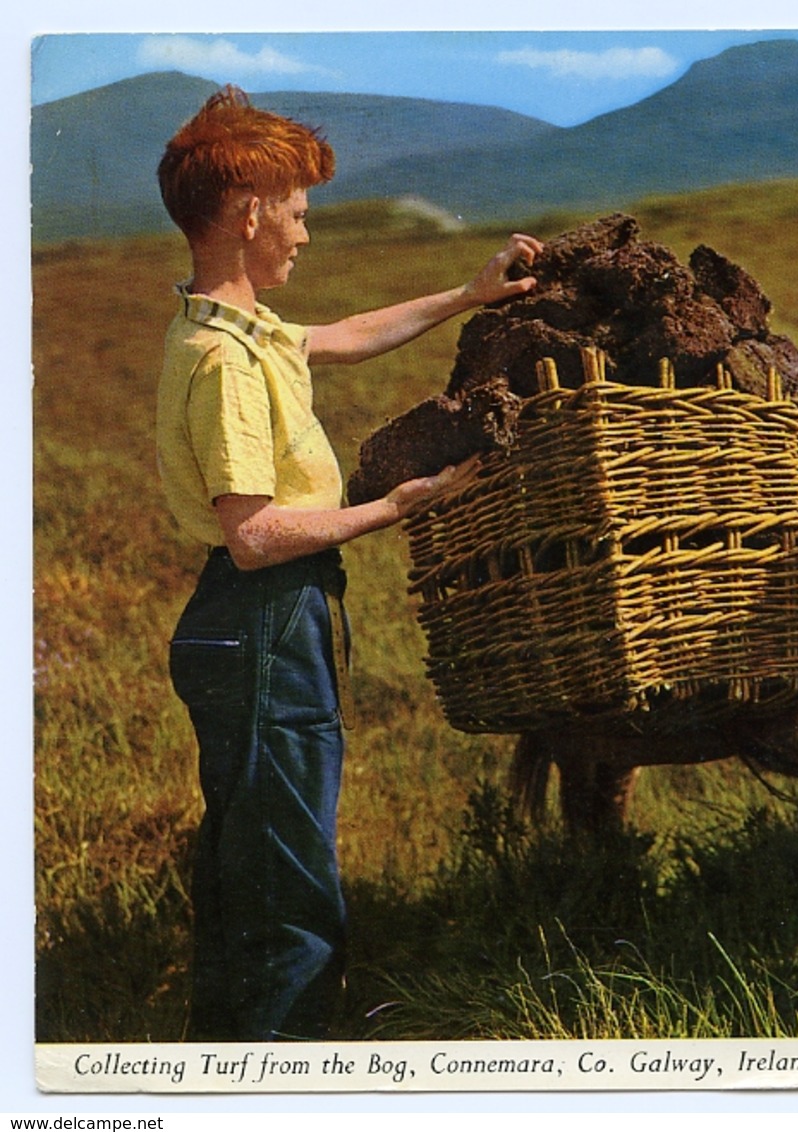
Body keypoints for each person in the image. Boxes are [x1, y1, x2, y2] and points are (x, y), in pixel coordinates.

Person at [154, 85, 544, 1040]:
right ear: (249, 215)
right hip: (264, 618)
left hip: (261, 623)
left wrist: (469, 293)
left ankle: (225, 1061)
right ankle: (288, 1070)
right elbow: (253, 537)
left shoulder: (239, 331)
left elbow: (348, 336)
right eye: (296, 212)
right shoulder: (225, 364)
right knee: (290, 885)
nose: (305, 234)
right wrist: (392, 509)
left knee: (248, 862)